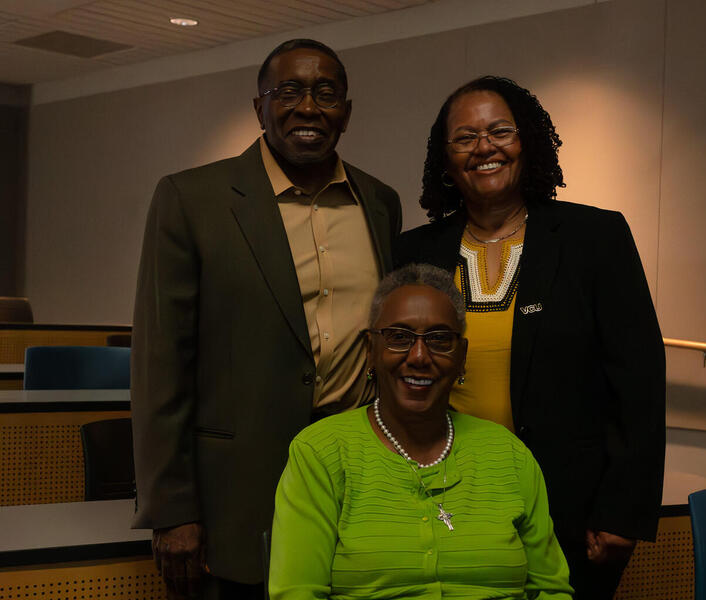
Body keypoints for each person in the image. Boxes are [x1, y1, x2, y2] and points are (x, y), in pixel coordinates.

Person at [131, 38, 401, 599]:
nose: (309, 107)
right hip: (238, 495)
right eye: (289, 92)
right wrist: (171, 509)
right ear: (259, 106)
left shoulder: (378, 203)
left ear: (346, 112)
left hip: (360, 483)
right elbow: (161, 364)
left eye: (326, 93)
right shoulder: (192, 199)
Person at [396, 76, 665, 599]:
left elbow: (640, 384)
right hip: (443, 498)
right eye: (465, 137)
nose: (484, 148)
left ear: (528, 141)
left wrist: (622, 510)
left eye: (500, 131)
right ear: (445, 157)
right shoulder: (413, 251)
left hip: (569, 507)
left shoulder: (596, 238)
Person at [269, 264, 573, 599]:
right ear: (370, 350)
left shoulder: (509, 455)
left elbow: (551, 589)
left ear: (461, 357)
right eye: (399, 338)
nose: (418, 356)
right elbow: (297, 593)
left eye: (439, 339)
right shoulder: (321, 453)